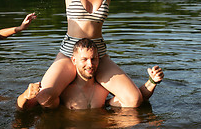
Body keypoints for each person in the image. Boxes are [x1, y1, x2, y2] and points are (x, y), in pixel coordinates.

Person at [17, 39, 164, 110]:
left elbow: (136, 98)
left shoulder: (103, 89)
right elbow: (23, 107)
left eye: (93, 59)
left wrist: (152, 81)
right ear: (74, 60)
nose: (90, 64)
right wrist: (25, 95)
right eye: (84, 60)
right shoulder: (64, 91)